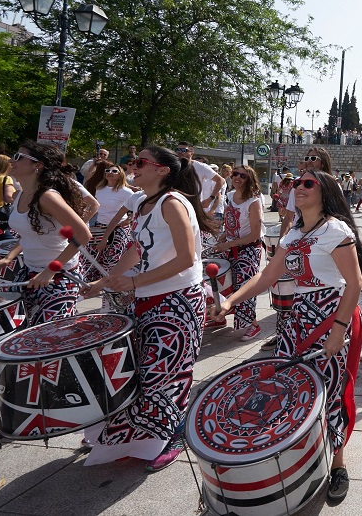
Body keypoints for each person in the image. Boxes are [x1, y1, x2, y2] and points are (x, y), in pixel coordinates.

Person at [211, 170, 362, 501]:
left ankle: (338, 465)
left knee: (332, 391)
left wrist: (338, 331)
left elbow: (353, 284)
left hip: (331, 314)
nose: (298, 187)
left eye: (307, 183)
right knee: (291, 389)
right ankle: (300, 456)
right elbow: (268, 275)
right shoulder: (293, 234)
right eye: (296, 182)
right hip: (299, 317)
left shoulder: (335, 230)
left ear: (324, 191)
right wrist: (231, 300)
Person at [82, 145, 215, 471]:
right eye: (132, 161)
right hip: (148, 301)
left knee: (165, 376)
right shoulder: (141, 203)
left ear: (163, 170)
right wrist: (106, 280)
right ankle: (140, 438)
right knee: (140, 373)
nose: (133, 166)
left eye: (140, 162)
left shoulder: (173, 203)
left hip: (178, 301)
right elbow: (136, 248)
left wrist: (133, 283)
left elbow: (186, 259)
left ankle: (173, 434)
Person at [0, 143, 89, 325]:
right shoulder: (20, 195)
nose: (11, 160)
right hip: (30, 273)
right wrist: (9, 258)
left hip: (59, 277)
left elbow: (83, 235)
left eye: (18, 157)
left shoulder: (47, 197)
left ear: (37, 165)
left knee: (48, 342)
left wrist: (49, 271)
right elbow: (28, 235)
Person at [211, 165, 264, 340]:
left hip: (249, 249)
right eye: (235, 174)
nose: (237, 177)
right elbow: (231, 223)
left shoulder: (253, 201)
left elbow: (255, 233)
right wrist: (224, 237)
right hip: (232, 246)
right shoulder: (229, 196)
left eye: (243, 175)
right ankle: (221, 314)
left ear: (249, 179)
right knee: (226, 284)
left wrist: (229, 243)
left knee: (245, 288)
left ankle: (253, 325)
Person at [86, 162, 134, 288]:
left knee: (112, 258)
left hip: (119, 228)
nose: (110, 173)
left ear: (120, 175)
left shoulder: (126, 192)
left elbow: (137, 207)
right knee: (94, 256)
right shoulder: (100, 188)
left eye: (114, 171)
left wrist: (129, 219)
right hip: (100, 225)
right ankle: (96, 284)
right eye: (108, 171)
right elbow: (95, 206)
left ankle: (110, 285)